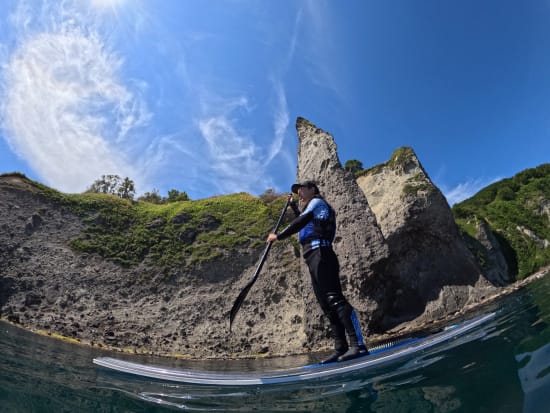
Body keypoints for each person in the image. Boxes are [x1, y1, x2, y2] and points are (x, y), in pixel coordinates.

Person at [266, 181, 369, 363]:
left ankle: (358, 346)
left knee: (335, 299)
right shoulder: (311, 209)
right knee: (326, 306)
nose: (299, 193)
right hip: (313, 258)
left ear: (312, 189)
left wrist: (278, 236)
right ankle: (341, 348)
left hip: (322, 254)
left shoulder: (317, 202)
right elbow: (307, 223)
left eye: (301, 189)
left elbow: (302, 222)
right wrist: (292, 207)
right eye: (297, 192)